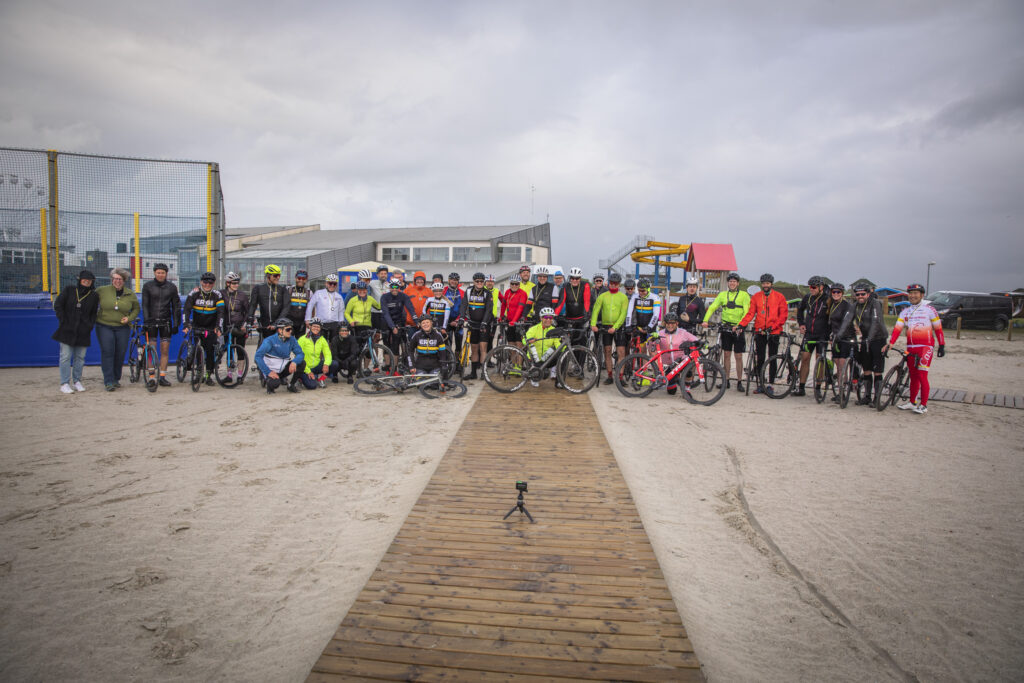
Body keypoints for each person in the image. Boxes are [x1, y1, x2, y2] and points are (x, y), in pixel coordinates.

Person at [885, 283, 945, 414]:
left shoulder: (930, 310)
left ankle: (923, 405)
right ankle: (912, 402)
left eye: (916, 293)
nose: (913, 296)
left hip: (925, 347)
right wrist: (891, 343)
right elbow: (897, 328)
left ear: (922, 295)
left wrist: (942, 345)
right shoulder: (905, 311)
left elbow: (938, 329)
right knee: (913, 376)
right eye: (911, 293)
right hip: (911, 347)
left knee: (922, 375)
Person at [738, 273, 788, 395]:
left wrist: (774, 327)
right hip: (760, 331)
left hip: (774, 332)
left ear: (771, 284)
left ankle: (770, 384)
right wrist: (742, 324)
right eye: (764, 283)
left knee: (772, 357)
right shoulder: (756, 297)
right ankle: (760, 383)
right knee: (760, 358)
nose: (765, 285)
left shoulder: (779, 297)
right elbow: (750, 313)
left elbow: (783, 315)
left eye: (767, 283)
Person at [52, 269, 99, 394]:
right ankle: (64, 383)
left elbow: (94, 313)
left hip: (84, 331)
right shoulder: (69, 290)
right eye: (84, 280)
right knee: (65, 357)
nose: (86, 282)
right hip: (67, 329)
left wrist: (89, 325)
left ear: (92, 282)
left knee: (80, 357)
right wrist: (63, 320)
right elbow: (58, 305)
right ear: (79, 280)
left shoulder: (94, 295)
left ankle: (77, 381)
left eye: (89, 280)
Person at [94, 268, 141, 391]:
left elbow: (136, 309)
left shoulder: (130, 294)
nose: (117, 281)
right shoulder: (102, 290)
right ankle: (108, 381)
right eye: (115, 279)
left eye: (119, 279)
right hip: (104, 325)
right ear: (111, 279)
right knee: (108, 351)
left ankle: (116, 378)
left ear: (124, 280)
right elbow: (91, 300)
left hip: (122, 327)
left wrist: (129, 318)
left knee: (120, 353)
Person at [702, 272, 750, 391]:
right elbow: (713, 307)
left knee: (738, 356)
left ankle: (739, 381)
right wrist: (705, 320)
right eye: (730, 282)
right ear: (728, 283)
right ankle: (726, 380)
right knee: (726, 355)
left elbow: (747, 311)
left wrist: (740, 326)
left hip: (738, 328)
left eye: (734, 282)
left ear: (738, 283)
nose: (732, 283)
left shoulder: (744, 295)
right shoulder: (723, 295)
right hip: (726, 328)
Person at [141, 263, 181, 386]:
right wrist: (147, 321)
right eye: (158, 272)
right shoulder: (147, 286)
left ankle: (162, 376)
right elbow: (145, 305)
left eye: (162, 272)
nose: (160, 274)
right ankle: (152, 377)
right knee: (151, 350)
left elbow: (176, 307)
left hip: (166, 321)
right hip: (152, 321)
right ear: (154, 273)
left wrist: (176, 323)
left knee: (164, 350)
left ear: (166, 274)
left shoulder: (172, 287)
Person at [182, 271, 225, 386]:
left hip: (210, 327)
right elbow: (186, 309)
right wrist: (186, 324)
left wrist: (218, 326)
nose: (207, 284)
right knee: (197, 350)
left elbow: (221, 313)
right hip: (197, 326)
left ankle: (208, 375)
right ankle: (198, 373)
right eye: (205, 282)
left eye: (210, 282)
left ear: (213, 283)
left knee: (210, 351)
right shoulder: (194, 293)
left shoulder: (217, 295)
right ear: (201, 282)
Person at [851, 283, 888, 405]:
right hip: (866, 338)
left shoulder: (875, 303)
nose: (860, 296)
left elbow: (876, 322)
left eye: (863, 294)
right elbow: (847, 320)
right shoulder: (856, 305)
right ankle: (867, 396)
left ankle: (876, 397)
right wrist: (839, 335)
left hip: (878, 338)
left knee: (877, 369)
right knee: (866, 368)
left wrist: (870, 338)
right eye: (858, 294)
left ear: (868, 294)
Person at [794, 275, 831, 396]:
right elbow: (799, 310)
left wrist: (831, 333)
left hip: (822, 335)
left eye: (814, 287)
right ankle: (801, 387)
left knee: (819, 361)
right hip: (809, 333)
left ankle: (818, 388)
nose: (812, 289)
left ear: (821, 287)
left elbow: (833, 316)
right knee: (805, 358)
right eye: (810, 287)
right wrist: (801, 324)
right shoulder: (807, 297)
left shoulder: (828, 299)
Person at [591, 272, 629, 384]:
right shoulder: (603, 296)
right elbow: (595, 310)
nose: (613, 285)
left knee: (621, 352)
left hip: (618, 327)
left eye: (616, 284)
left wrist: (616, 327)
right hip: (606, 326)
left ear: (619, 285)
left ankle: (620, 377)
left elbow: (623, 314)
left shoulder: (623, 297)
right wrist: (593, 324)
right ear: (609, 284)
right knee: (607, 351)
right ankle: (610, 376)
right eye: (611, 283)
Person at [254, 317, 304, 393]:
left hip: (282, 368)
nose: (290, 331)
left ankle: (291, 385)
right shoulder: (269, 341)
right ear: (280, 330)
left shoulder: (292, 340)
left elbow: (300, 354)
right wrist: (268, 372)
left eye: (291, 329)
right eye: (288, 329)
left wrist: (294, 362)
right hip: (271, 369)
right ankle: (266, 379)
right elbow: (257, 357)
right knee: (275, 384)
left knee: (302, 363)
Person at [656, 312, 700, 395]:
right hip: (667, 366)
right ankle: (676, 379)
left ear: (677, 323)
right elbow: (650, 345)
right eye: (668, 323)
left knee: (688, 371)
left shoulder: (683, 332)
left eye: (672, 323)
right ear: (665, 323)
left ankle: (687, 390)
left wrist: (700, 343)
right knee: (672, 391)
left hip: (680, 361)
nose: (670, 325)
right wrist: (652, 340)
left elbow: (695, 339)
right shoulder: (660, 333)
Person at [463, 272, 494, 379]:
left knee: (483, 348)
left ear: (484, 282)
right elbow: (463, 305)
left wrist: (484, 323)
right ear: (474, 282)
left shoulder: (487, 293)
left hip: (484, 325)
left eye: (481, 281)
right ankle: (473, 373)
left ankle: (483, 373)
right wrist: (462, 318)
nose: (479, 283)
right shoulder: (468, 291)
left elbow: (489, 310)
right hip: (473, 324)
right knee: (474, 349)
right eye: (477, 281)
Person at [827, 283, 856, 402]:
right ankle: (840, 392)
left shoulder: (847, 306)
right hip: (835, 338)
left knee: (842, 365)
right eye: (834, 292)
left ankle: (843, 392)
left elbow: (846, 323)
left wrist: (839, 336)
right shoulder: (831, 305)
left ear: (842, 293)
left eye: (838, 292)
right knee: (837, 365)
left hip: (846, 338)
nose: (836, 294)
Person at [247, 264, 288, 346]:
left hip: (278, 324)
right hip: (264, 324)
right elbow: (253, 305)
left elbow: (286, 307)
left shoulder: (282, 289)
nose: (278, 278)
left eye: (279, 275)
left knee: (278, 349)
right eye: (275, 276)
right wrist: (249, 319)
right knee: (262, 349)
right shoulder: (258, 288)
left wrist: (277, 322)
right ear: (268, 276)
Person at [524, 307, 563, 387]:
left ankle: (559, 382)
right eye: (545, 317)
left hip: (546, 359)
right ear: (541, 318)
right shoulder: (534, 329)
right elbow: (525, 339)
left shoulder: (554, 330)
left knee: (563, 355)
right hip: (534, 359)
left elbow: (558, 345)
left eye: (550, 317)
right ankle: (534, 375)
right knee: (532, 349)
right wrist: (529, 340)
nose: (548, 319)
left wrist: (564, 347)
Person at [380, 278, 417, 360]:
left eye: (396, 287)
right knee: (386, 344)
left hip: (398, 320)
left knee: (395, 344)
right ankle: (387, 367)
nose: (394, 289)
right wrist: (392, 327)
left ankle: (395, 368)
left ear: (399, 287)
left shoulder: (403, 296)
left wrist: (416, 321)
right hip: (386, 321)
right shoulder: (384, 297)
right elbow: (386, 313)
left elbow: (411, 309)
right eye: (392, 287)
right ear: (389, 288)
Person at [306, 273, 346, 342]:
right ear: (326, 284)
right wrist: (308, 319)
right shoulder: (319, 293)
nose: (332, 285)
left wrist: (341, 323)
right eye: (330, 283)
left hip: (334, 323)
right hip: (321, 323)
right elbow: (310, 305)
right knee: (320, 343)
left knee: (334, 343)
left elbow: (341, 311)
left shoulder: (339, 297)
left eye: (334, 284)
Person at [297, 318, 332, 389]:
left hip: (316, 365)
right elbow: (298, 357)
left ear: (320, 328)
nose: (316, 328)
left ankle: (321, 379)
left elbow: (328, 354)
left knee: (334, 364)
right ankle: (300, 378)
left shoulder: (322, 339)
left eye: (318, 327)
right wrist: (308, 371)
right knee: (312, 386)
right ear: (310, 327)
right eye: (314, 326)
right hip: (305, 367)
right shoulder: (302, 339)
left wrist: (326, 364)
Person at [560, 267, 592, 345]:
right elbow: (560, 303)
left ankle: (582, 356)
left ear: (580, 278)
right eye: (572, 278)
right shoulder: (565, 286)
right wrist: (555, 315)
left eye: (577, 278)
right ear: (570, 278)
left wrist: (586, 316)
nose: (574, 280)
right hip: (569, 319)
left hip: (581, 319)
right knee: (568, 342)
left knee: (581, 341)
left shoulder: (585, 285)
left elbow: (587, 302)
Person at [626, 278, 662, 346]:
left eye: (643, 291)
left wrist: (649, 327)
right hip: (639, 326)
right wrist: (628, 325)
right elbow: (629, 312)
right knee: (642, 349)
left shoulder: (655, 297)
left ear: (648, 289)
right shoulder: (635, 296)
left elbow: (656, 315)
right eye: (639, 290)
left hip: (651, 326)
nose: (641, 293)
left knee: (652, 351)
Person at [500, 274, 531, 348]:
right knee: (511, 344)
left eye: (516, 284)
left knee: (518, 345)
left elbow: (520, 309)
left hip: (519, 322)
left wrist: (514, 321)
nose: (514, 285)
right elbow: (503, 305)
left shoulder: (523, 294)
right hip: (510, 321)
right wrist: (501, 316)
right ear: (510, 284)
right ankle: (513, 360)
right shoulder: (507, 292)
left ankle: (519, 360)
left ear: (519, 284)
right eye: (512, 283)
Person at [284, 269, 312, 337]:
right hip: (289, 322)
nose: (301, 280)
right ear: (295, 278)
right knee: (288, 343)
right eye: (299, 278)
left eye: (303, 278)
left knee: (299, 344)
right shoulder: (289, 289)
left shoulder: (309, 292)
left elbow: (311, 308)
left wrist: (310, 320)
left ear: (306, 280)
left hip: (301, 323)